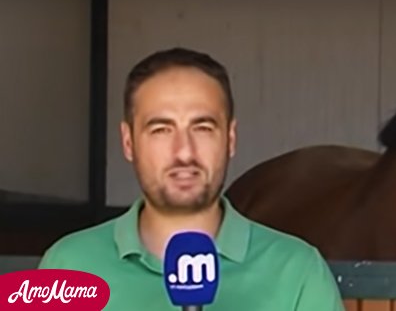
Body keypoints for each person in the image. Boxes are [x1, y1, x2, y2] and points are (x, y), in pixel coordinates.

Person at [38, 47, 346, 311]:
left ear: (230, 138)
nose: (184, 151)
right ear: (128, 141)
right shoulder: (67, 264)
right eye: (161, 129)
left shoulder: (298, 271)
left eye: (203, 128)